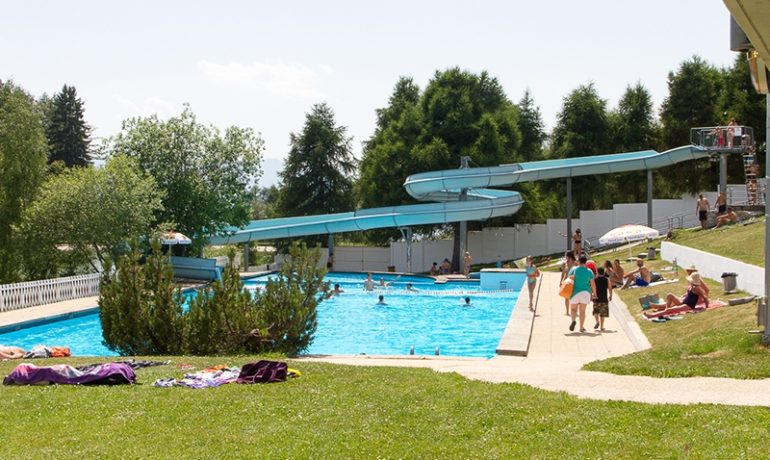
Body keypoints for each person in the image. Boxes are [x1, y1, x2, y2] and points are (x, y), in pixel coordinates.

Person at [644, 273, 709, 318]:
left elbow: (705, 297)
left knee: (670, 310)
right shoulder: (693, 286)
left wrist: (706, 307)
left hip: (688, 306)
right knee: (669, 295)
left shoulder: (697, 288)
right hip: (683, 302)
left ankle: (652, 315)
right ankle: (665, 310)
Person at [568, 255, 596, 333]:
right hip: (585, 292)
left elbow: (568, 279)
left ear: (579, 261)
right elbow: (593, 284)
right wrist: (594, 293)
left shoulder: (574, 269)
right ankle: (581, 327)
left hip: (574, 292)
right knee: (582, 311)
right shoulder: (589, 271)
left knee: (573, 309)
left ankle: (573, 320)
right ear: (585, 262)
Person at [592, 267, 612, 331]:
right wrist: (610, 295)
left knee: (596, 311)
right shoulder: (607, 279)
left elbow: (592, 288)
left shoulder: (594, 279)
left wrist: (592, 295)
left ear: (597, 272)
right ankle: (602, 327)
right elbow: (610, 288)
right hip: (604, 298)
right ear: (604, 272)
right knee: (602, 314)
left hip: (596, 298)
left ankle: (597, 322)